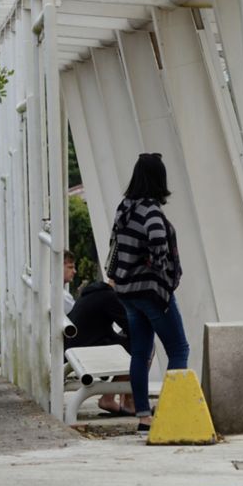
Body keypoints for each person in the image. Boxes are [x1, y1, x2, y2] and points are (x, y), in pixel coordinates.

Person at [108, 153, 189, 434]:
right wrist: (161, 270)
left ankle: (144, 417)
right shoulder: (152, 212)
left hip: (127, 292)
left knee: (140, 353)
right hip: (152, 293)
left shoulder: (124, 208)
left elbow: (116, 245)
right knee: (179, 349)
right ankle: (173, 411)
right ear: (159, 179)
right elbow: (157, 241)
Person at [65, 266, 134, 416]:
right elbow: (131, 327)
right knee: (143, 346)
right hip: (83, 350)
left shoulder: (94, 294)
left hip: (74, 346)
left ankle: (125, 398)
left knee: (134, 342)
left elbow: (102, 329)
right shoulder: (110, 297)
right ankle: (119, 399)